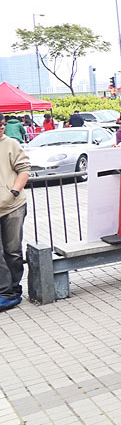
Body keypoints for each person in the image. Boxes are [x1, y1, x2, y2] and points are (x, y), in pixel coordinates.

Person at [0, 129, 31, 311]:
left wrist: (14, 191)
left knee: (12, 251)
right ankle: (5, 291)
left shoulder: (10, 144)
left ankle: (14, 290)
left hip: (13, 206)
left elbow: (24, 169)